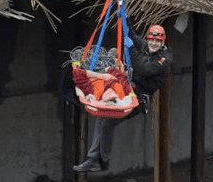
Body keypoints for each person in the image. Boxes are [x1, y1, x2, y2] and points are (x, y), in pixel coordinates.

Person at [73, 24, 173, 172]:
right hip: (127, 89)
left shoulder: (164, 59)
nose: (153, 44)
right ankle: (96, 159)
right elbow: (132, 35)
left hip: (137, 99)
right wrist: (124, 15)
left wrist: (131, 49)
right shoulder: (146, 45)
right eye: (151, 40)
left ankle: (100, 160)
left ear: (162, 43)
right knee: (102, 116)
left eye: (157, 42)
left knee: (107, 122)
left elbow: (143, 69)